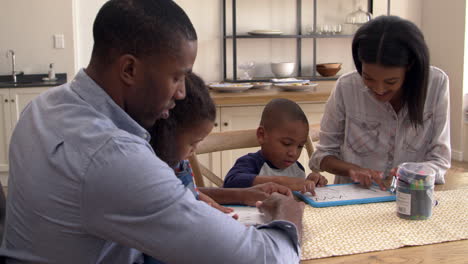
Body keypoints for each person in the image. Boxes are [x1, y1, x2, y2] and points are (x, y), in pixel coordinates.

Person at [0, 1, 304, 263]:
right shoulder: (112, 156)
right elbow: (264, 257)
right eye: (177, 77)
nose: (183, 93)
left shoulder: (42, 107)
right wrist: (289, 216)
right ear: (129, 70)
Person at [310, 15, 450, 189]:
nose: (379, 89)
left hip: (412, 195)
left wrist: (412, 173)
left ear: (410, 67)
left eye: (390, 82)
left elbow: (440, 160)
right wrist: (353, 170)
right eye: (368, 78)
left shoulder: (435, 84)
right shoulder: (347, 87)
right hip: (352, 200)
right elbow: (321, 156)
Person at [151, 72, 289, 213]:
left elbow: (190, 192)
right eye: (192, 143)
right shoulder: (152, 173)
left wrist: (241, 195)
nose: (194, 150)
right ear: (166, 133)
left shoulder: (177, 162)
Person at [223, 98, 328, 195]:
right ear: (262, 135)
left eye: (300, 146)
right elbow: (230, 183)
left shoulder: (296, 168)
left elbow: (298, 197)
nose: (294, 153)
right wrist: (281, 181)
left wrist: (311, 182)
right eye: (286, 143)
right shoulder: (251, 163)